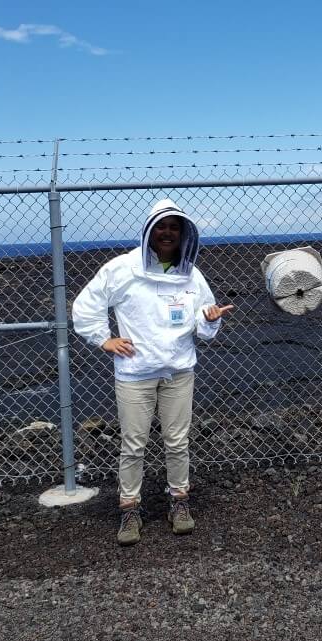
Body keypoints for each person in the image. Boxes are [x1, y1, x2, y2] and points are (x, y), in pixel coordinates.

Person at [72, 198, 233, 546]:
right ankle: (129, 509)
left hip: (178, 371)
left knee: (177, 442)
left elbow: (203, 317)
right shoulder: (122, 269)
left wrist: (208, 321)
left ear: (183, 233)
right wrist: (105, 339)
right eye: (162, 226)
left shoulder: (190, 273)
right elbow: (87, 305)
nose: (168, 233)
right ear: (149, 230)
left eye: (174, 227)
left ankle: (179, 503)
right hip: (136, 372)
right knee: (133, 444)